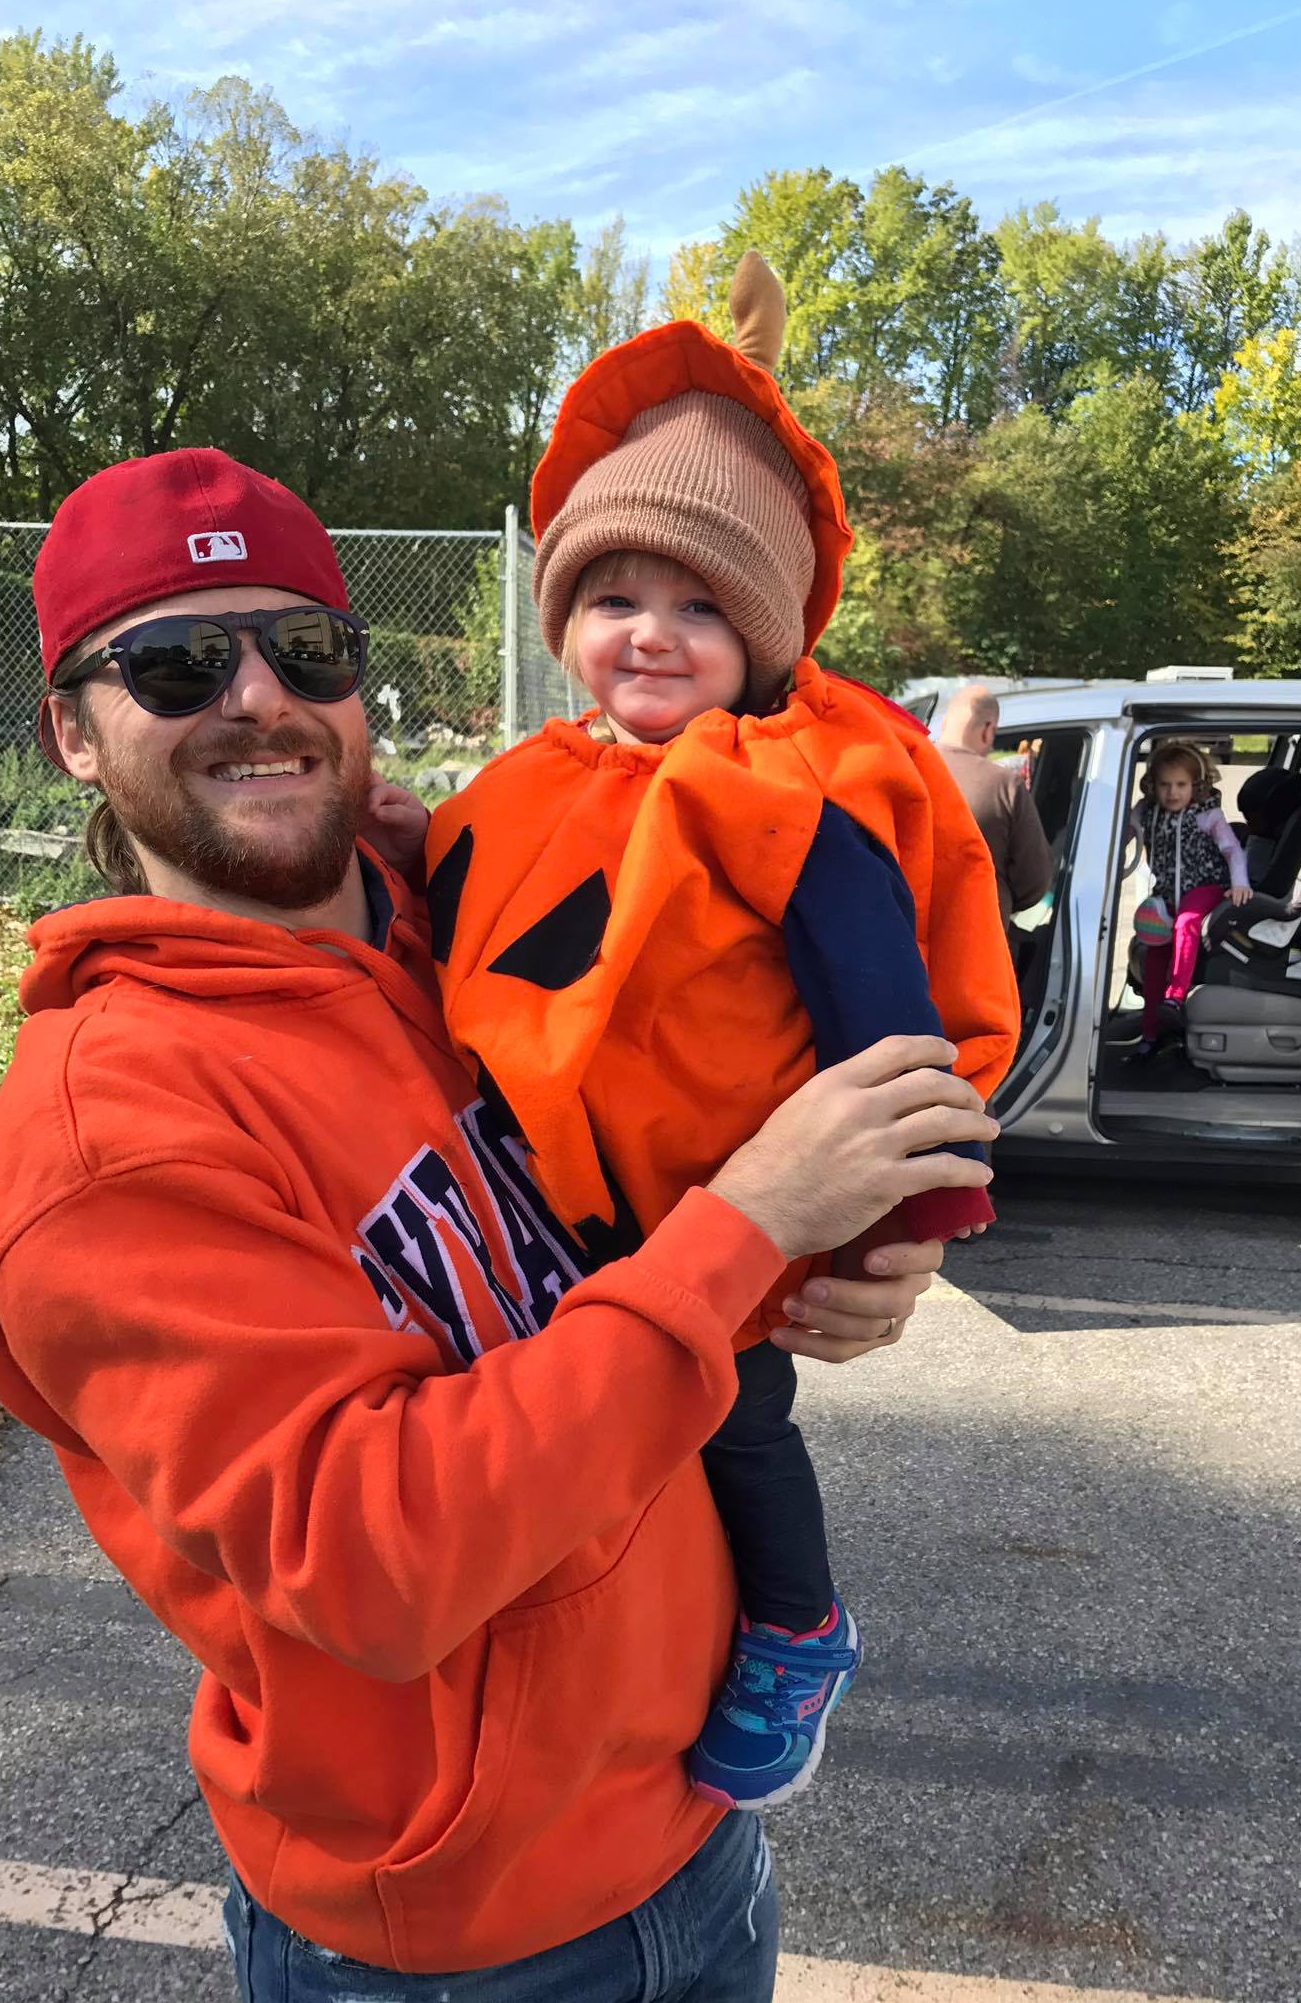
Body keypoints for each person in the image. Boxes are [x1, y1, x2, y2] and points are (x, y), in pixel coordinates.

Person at [0, 446, 999, 2002]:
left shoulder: (474, 908)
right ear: (73, 737)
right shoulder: (107, 1147)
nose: (255, 698)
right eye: (173, 662)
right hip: (463, 1941)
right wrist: (741, 1226)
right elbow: (373, 1560)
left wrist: (835, 1266)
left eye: (305, 650)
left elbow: (677, 1134)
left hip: (695, 1825)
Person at [365, 253, 1020, 1814]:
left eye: (699, 606)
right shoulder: (528, 781)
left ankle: (799, 1626)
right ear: (564, 614)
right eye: (612, 597)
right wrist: (390, 839)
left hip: (727, 1220)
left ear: (771, 634)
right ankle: (652, 1641)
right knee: (598, 1455)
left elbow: (888, 1017)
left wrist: (912, 1226)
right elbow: (470, 916)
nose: (649, 633)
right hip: (552, 1224)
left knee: (734, 1429)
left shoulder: (786, 787)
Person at [1130, 738, 1252, 1058]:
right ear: (1152, 785)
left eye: (1181, 784)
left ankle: (1175, 996)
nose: (1172, 792)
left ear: (1195, 785)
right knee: (1153, 950)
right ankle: (1150, 1031)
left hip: (1206, 886)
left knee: (1187, 924)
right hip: (1166, 892)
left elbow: (1232, 851)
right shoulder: (1147, 812)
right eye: (1164, 784)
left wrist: (1239, 883)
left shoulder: (1207, 816)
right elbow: (1122, 832)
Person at [936, 685, 1055, 931]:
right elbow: (1035, 880)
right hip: (977, 939)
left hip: (904, 942)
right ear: (988, 730)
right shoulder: (1004, 786)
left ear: (945, 723)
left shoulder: (906, 771)